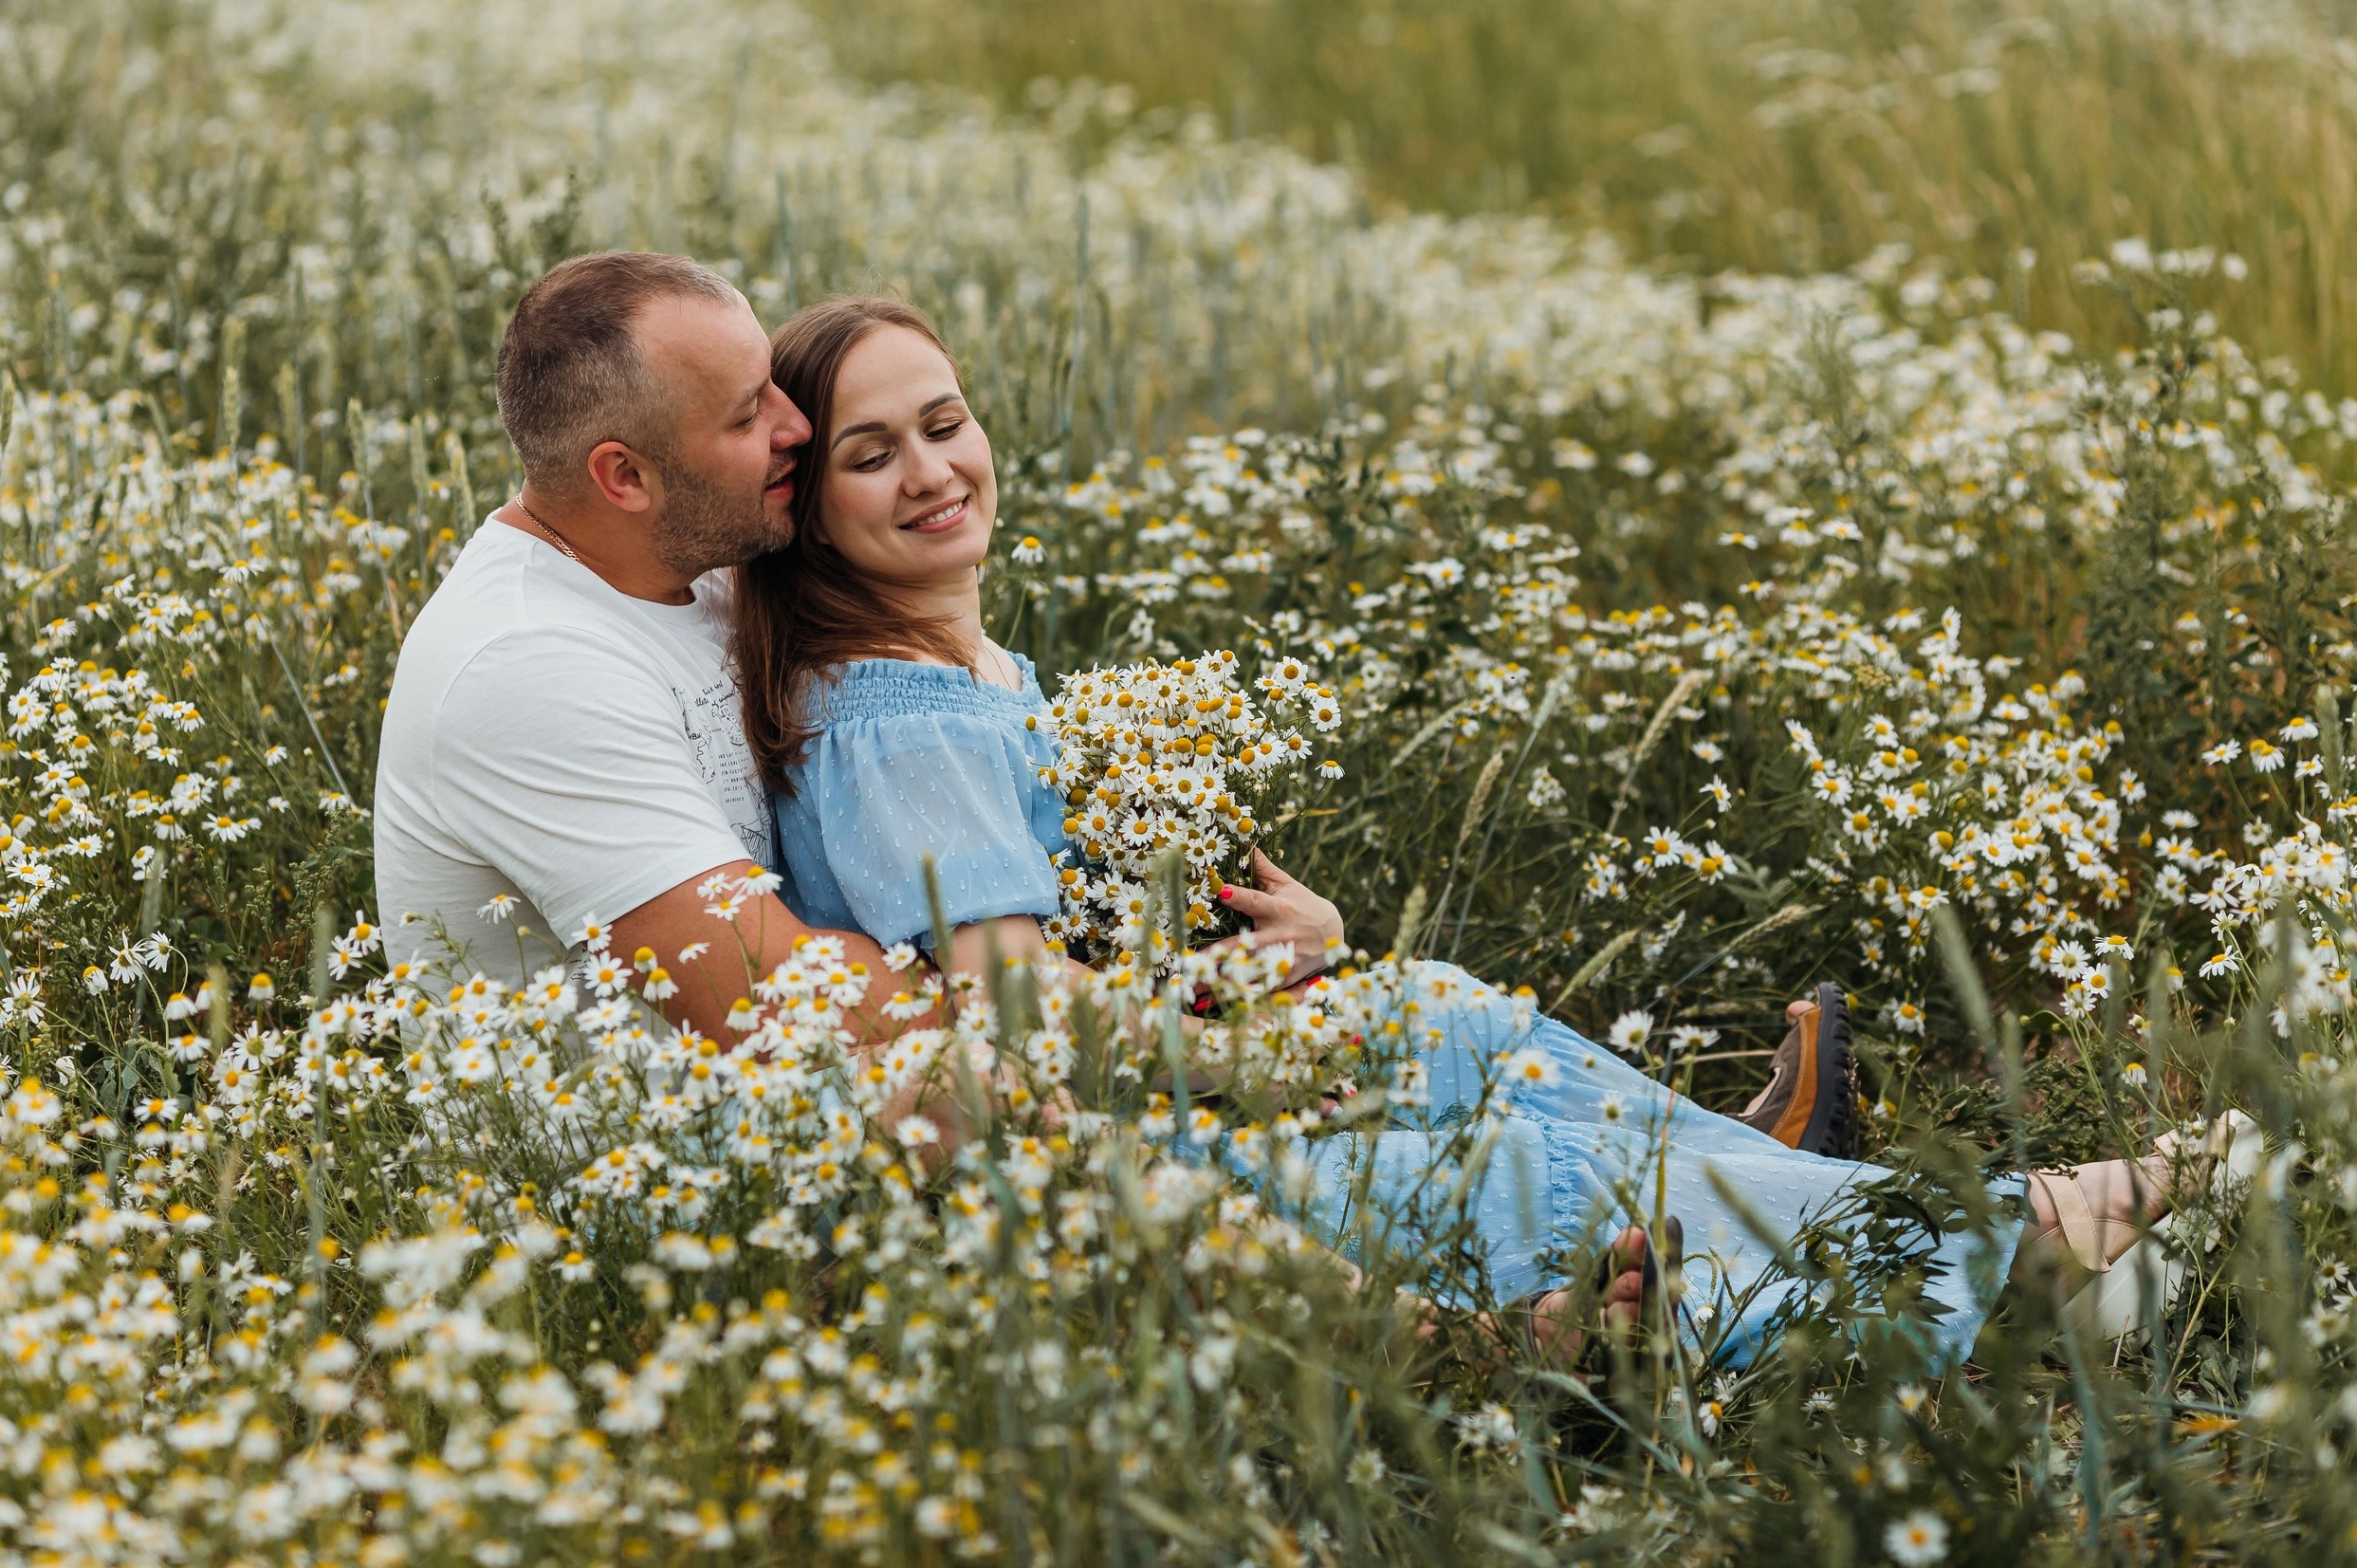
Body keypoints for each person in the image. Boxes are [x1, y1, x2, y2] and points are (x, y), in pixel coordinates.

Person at [730, 290, 2253, 1364]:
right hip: (1136, 1136)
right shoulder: (895, 718)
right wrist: (1265, 1050)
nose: (933, 470)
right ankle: (2024, 1237)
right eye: (873, 453)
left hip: (1168, 1068)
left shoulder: (964, 676)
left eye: (945, 421)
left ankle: (1938, 1228)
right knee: (1514, 1111)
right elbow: (1016, 1002)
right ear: (814, 508)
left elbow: (1065, 934)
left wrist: (1286, 947)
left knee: (1478, 1040)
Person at [374, 250, 1346, 1055]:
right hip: (671, 1186)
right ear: (623, 476)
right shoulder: (525, 666)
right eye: (749, 412)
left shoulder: (706, 562)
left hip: (881, 1102)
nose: (797, 425)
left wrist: (1209, 980)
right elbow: (774, 994)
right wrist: (1200, 1041)